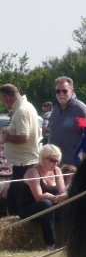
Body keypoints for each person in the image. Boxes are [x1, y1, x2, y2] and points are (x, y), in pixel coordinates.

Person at [0, 83, 41, 215]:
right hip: (24, 162)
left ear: (6, 97)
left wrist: (7, 137)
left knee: (15, 202)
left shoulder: (21, 110)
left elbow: (24, 137)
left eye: (2, 99)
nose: (3, 102)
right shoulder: (27, 107)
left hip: (24, 164)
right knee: (16, 198)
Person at [17, 144, 67, 249]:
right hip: (30, 208)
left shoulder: (57, 170)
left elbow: (63, 193)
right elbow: (38, 197)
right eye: (53, 160)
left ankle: (69, 241)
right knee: (46, 203)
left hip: (51, 207)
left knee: (70, 205)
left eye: (57, 161)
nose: (55, 163)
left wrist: (61, 197)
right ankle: (50, 243)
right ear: (44, 158)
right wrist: (55, 198)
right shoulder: (33, 172)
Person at [49, 77, 86, 167]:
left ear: (72, 91)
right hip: (54, 165)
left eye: (64, 91)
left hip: (73, 166)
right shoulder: (55, 109)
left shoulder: (81, 109)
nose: (61, 94)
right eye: (58, 91)